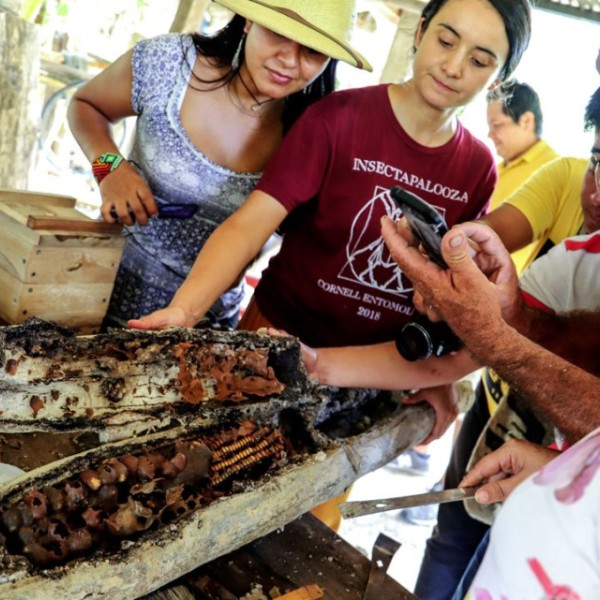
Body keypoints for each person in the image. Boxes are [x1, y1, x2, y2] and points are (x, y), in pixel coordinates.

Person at [129, 0, 532, 531]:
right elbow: (248, 225)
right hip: (270, 352)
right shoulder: (337, 119)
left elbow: (446, 285)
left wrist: (436, 375)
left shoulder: (477, 166)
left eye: (481, 61)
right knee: (193, 501)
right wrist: (185, 310)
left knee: (304, 529)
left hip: (368, 378)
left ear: (500, 77)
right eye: (446, 40)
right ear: (418, 35)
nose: (455, 66)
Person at [67, 0, 372, 330]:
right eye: (278, 33)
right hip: (94, 290)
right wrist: (109, 168)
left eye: (312, 51)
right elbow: (86, 106)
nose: (289, 60)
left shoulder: (318, 133)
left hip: (201, 330)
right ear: (248, 21)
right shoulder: (168, 63)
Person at [381, 218, 600, 597]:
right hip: (532, 548)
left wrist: (494, 339)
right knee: (454, 539)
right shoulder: (580, 258)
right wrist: (564, 468)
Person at [486, 79, 558, 271]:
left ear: (526, 121)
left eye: (496, 125)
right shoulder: (495, 169)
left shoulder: (554, 171)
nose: (489, 134)